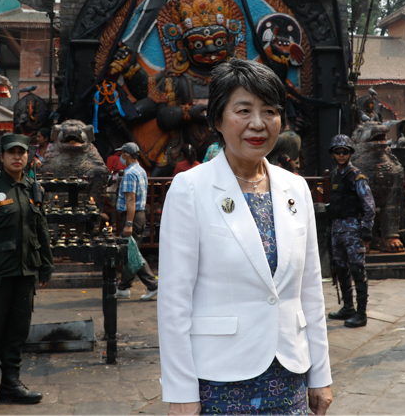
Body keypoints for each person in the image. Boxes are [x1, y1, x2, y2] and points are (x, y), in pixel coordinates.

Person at [158, 58, 332, 415]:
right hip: (219, 380)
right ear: (218, 119)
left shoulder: (295, 188)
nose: (258, 124)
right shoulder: (190, 189)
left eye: (269, 111)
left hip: (288, 377)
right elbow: (174, 302)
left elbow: (310, 290)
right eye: (244, 110)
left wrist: (321, 374)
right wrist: (180, 390)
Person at [0, 134, 54, 412]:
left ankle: (11, 385)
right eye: (11, 153)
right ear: (2, 157)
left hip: (25, 271)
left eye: (22, 153)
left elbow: (41, 229)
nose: (17, 157)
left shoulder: (33, 187)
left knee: (18, 330)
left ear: (28, 156)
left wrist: (45, 265)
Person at [325, 134, 375, 329]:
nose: (341, 155)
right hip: (337, 228)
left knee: (357, 269)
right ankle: (348, 307)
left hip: (353, 228)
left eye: (344, 152)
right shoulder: (334, 175)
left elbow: (369, 205)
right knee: (340, 269)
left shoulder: (356, 175)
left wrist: (366, 230)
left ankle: (361, 313)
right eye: (337, 151)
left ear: (350, 153)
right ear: (332, 153)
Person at [115, 142, 158, 301]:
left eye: (122, 153)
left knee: (132, 253)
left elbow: (131, 200)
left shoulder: (129, 173)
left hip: (131, 215)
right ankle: (123, 287)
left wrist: (128, 223)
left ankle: (152, 285)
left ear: (126, 154)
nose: (121, 157)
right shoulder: (141, 171)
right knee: (130, 251)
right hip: (139, 214)